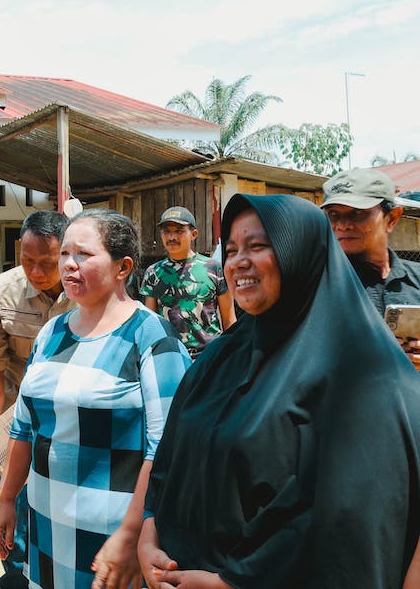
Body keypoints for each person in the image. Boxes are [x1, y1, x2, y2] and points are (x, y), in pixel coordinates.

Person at [138, 194, 420, 589]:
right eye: (231, 249)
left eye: (257, 246)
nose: (237, 261)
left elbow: (348, 519)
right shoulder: (221, 358)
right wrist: (149, 532)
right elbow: (170, 457)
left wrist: (234, 583)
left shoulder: (365, 375)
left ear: (301, 253)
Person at [0, 209, 190, 589]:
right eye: (65, 254)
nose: (68, 265)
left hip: (114, 544)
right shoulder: (52, 333)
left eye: (83, 254)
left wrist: (132, 536)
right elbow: (24, 426)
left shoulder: (151, 336)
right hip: (49, 530)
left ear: (123, 267)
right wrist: (6, 499)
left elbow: (164, 448)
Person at [0, 209, 72, 589]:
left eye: (46, 263)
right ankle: (16, 577)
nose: (35, 271)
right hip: (18, 426)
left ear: (67, 254)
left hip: (73, 426)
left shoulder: (89, 289)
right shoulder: (0, 293)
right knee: (12, 515)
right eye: (27, 260)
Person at [320, 167, 420, 367]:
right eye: (333, 214)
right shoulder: (316, 285)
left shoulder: (416, 278)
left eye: (357, 213)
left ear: (391, 218)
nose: (342, 225)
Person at [140, 206, 235, 357]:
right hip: (171, 355)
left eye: (179, 231)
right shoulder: (153, 272)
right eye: (167, 231)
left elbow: (229, 319)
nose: (172, 237)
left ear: (194, 234)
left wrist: (232, 354)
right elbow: (151, 322)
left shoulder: (213, 268)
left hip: (209, 355)